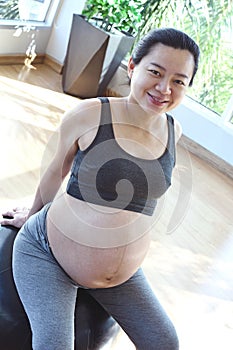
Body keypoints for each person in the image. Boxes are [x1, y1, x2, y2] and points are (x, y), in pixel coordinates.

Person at [0, 27, 200, 350]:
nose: (164, 88)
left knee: (165, 342)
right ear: (132, 67)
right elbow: (55, 171)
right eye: (156, 72)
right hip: (48, 254)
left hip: (120, 276)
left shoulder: (173, 133)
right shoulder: (91, 114)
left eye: (179, 81)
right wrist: (33, 214)